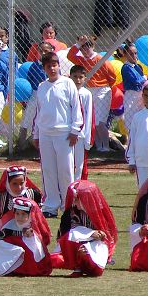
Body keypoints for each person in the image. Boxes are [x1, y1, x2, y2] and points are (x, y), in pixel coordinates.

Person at [31, 51, 83, 217]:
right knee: (49, 170)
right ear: (44, 69)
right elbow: (39, 112)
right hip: (46, 133)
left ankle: (68, 205)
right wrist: (36, 134)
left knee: (66, 170)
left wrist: (75, 130)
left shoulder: (67, 84)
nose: (52, 68)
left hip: (64, 134)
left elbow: (76, 108)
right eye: (48, 66)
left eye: (54, 65)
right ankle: (51, 205)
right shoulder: (42, 86)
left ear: (59, 65)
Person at [50, 180, 117, 277]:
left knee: (95, 269)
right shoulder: (74, 211)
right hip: (81, 241)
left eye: (77, 199)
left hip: (98, 244)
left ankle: (89, 263)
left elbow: (109, 232)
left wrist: (102, 234)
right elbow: (74, 228)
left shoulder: (101, 211)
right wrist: (91, 233)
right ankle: (77, 267)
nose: (74, 202)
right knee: (67, 238)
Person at [68, 35, 116, 152]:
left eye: (87, 47)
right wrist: (78, 44)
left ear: (92, 47)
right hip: (89, 91)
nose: (85, 50)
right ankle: (99, 146)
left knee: (100, 121)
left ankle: (106, 146)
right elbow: (70, 56)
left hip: (101, 90)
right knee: (92, 120)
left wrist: (104, 85)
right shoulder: (81, 60)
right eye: (82, 48)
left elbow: (112, 76)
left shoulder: (100, 59)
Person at [0, 196, 52, 277]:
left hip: (28, 261)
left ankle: (27, 269)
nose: (20, 217)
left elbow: (37, 249)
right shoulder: (9, 224)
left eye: (23, 214)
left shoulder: (32, 227)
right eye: (17, 214)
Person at [18, 41, 54, 146]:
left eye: (46, 51)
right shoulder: (34, 66)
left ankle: (43, 142)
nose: (43, 53)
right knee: (28, 117)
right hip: (36, 93)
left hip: (49, 94)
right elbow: (29, 81)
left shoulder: (54, 65)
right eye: (41, 51)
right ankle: (21, 143)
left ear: (51, 51)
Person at [69, 65, 94, 181]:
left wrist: (88, 138)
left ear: (85, 78)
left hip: (81, 134)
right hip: (67, 133)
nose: (78, 80)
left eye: (81, 77)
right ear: (70, 77)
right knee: (67, 162)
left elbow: (89, 116)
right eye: (75, 77)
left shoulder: (86, 94)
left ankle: (77, 186)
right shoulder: (67, 92)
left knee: (79, 164)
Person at [119, 41, 147, 134]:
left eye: (135, 53)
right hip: (131, 94)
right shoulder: (126, 67)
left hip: (140, 94)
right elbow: (136, 80)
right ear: (125, 55)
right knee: (131, 118)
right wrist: (144, 78)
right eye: (131, 54)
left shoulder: (137, 66)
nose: (134, 56)